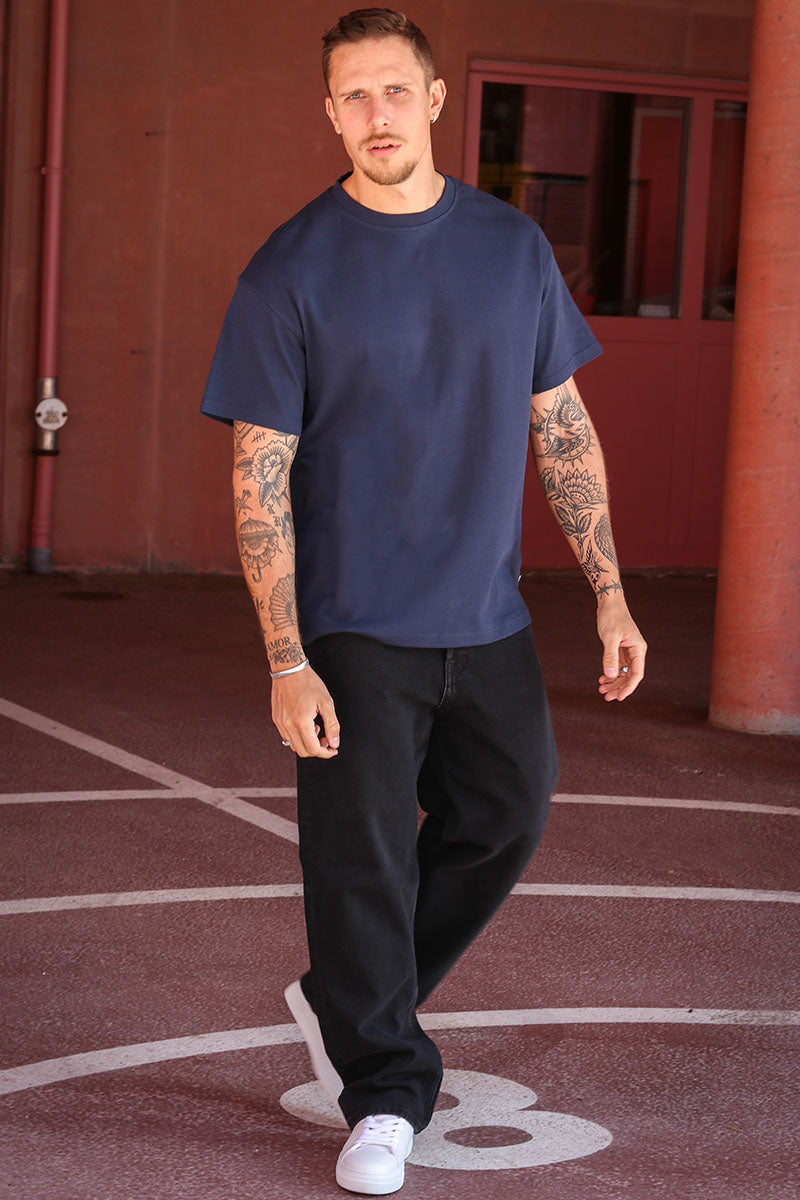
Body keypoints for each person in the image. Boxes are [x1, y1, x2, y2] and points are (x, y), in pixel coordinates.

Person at [201, 8, 647, 1194]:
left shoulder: (510, 249)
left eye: (393, 90)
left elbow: (560, 425)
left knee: (505, 815)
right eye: (352, 95)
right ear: (329, 112)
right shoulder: (291, 267)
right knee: (357, 865)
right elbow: (257, 474)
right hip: (351, 625)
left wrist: (608, 593)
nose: (376, 114)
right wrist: (285, 656)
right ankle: (385, 1093)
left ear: (436, 100)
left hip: (486, 615)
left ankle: (350, 996)